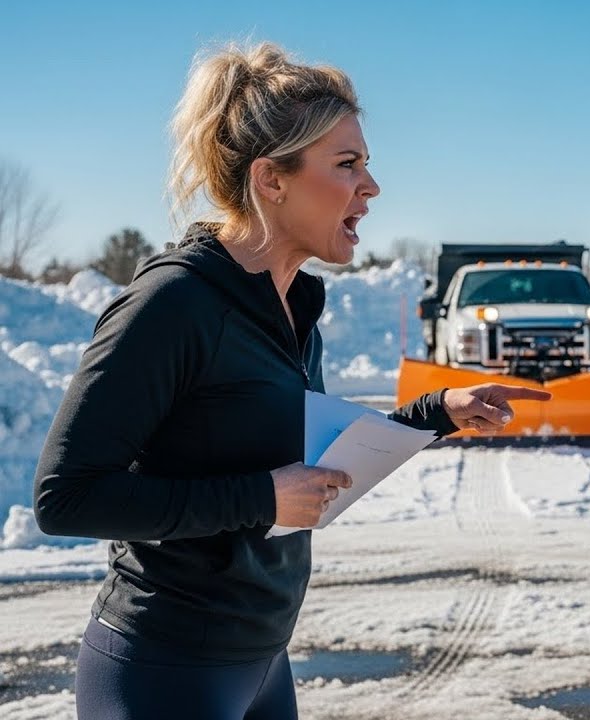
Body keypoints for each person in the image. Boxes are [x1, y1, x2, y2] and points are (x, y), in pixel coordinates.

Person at [33, 42, 550, 720]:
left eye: (366, 163)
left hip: (263, 664)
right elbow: (65, 498)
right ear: (271, 179)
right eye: (347, 164)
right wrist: (258, 497)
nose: (371, 186)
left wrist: (437, 413)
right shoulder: (174, 306)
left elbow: (312, 465)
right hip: (165, 669)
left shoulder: (296, 307)